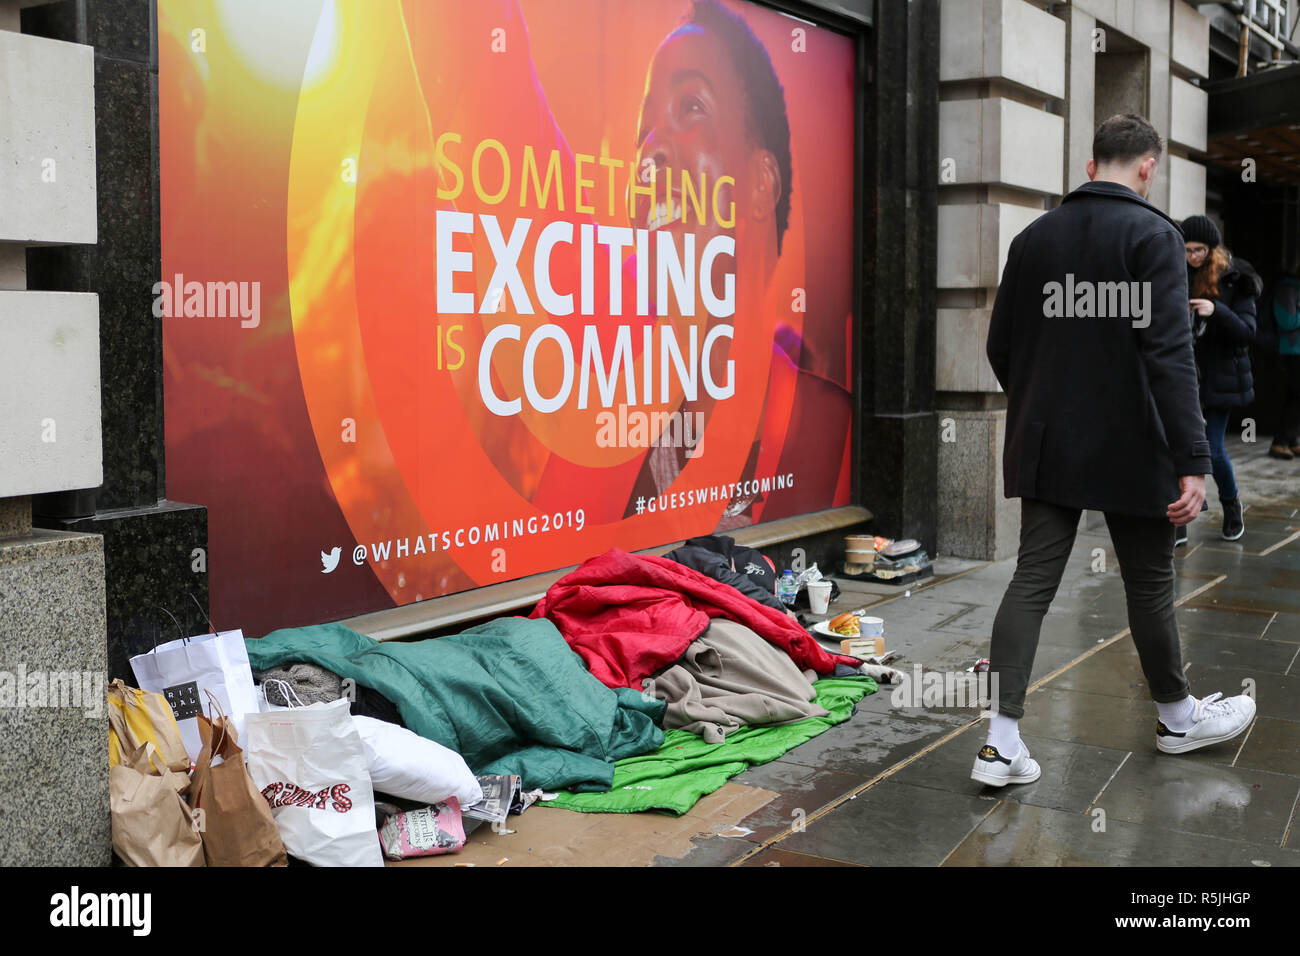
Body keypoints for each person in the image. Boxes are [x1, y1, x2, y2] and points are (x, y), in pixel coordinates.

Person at [978, 114, 1256, 787]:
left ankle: (1000, 742)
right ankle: (1177, 716)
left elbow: (1000, 345)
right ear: (1149, 166)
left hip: (1049, 443)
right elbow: (1167, 353)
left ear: (1090, 162)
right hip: (1136, 443)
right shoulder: (1153, 234)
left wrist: (1042, 406)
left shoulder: (1033, 238)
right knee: (1150, 584)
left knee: (1032, 580)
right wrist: (1194, 458)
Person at [1181, 215, 1260, 541]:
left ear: (1212, 249)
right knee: (1180, 450)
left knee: (1212, 450)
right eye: (1187, 249)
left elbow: (1247, 332)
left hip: (1221, 380)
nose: (1193, 256)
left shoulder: (1235, 279)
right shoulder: (1176, 272)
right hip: (1185, 379)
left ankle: (1231, 505)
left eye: (1199, 249)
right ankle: (1180, 520)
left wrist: (1217, 312)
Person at [1267, 261, 1300, 460]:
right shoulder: (1287, 288)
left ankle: (1292, 439)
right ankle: (1280, 441)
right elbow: (1286, 320)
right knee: (1295, 396)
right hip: (1292, 350)